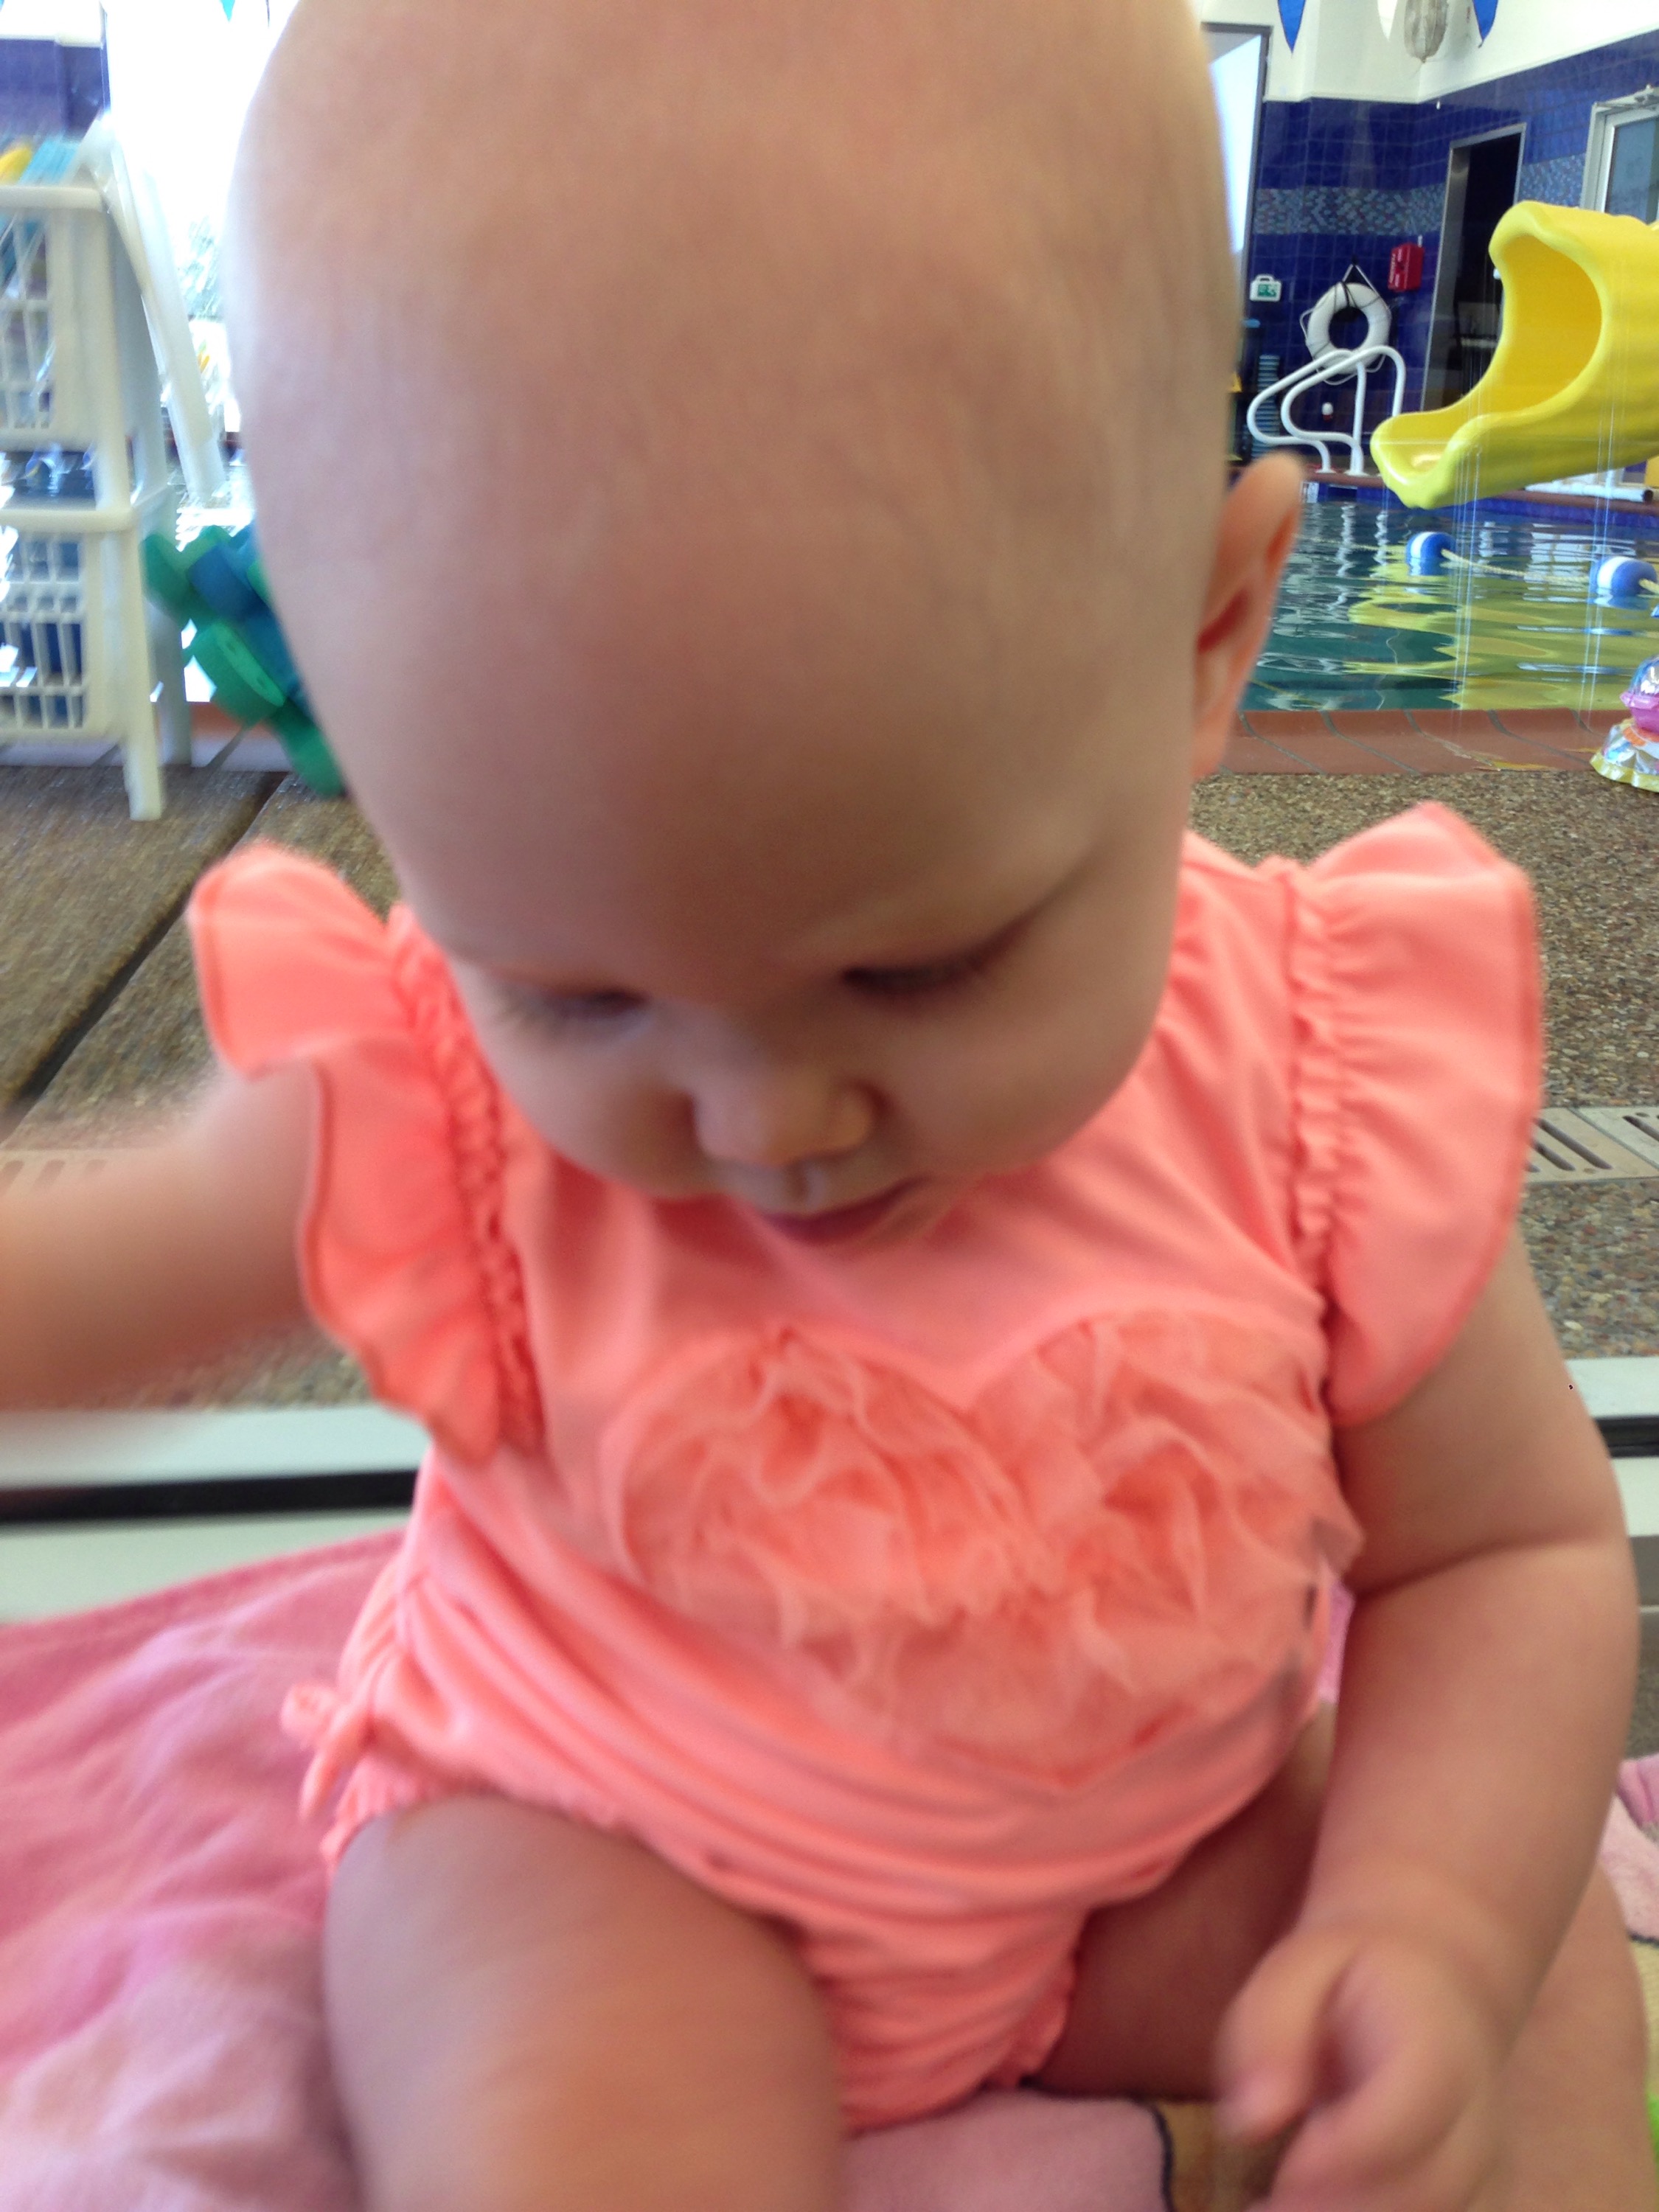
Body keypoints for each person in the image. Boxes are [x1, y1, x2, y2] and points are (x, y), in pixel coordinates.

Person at [1, 1, 1649, 2205]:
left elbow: (1506, 1554)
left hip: (1155, 1863)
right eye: (581, 994)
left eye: (915, 966)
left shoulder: (1318, 1072)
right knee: (586, 2121)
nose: (767, 1118)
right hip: (603, 1852)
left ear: (1212, 631)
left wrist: (1423, 1921)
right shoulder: (439, 1087)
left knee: (1536, 1965)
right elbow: (89, 1281)